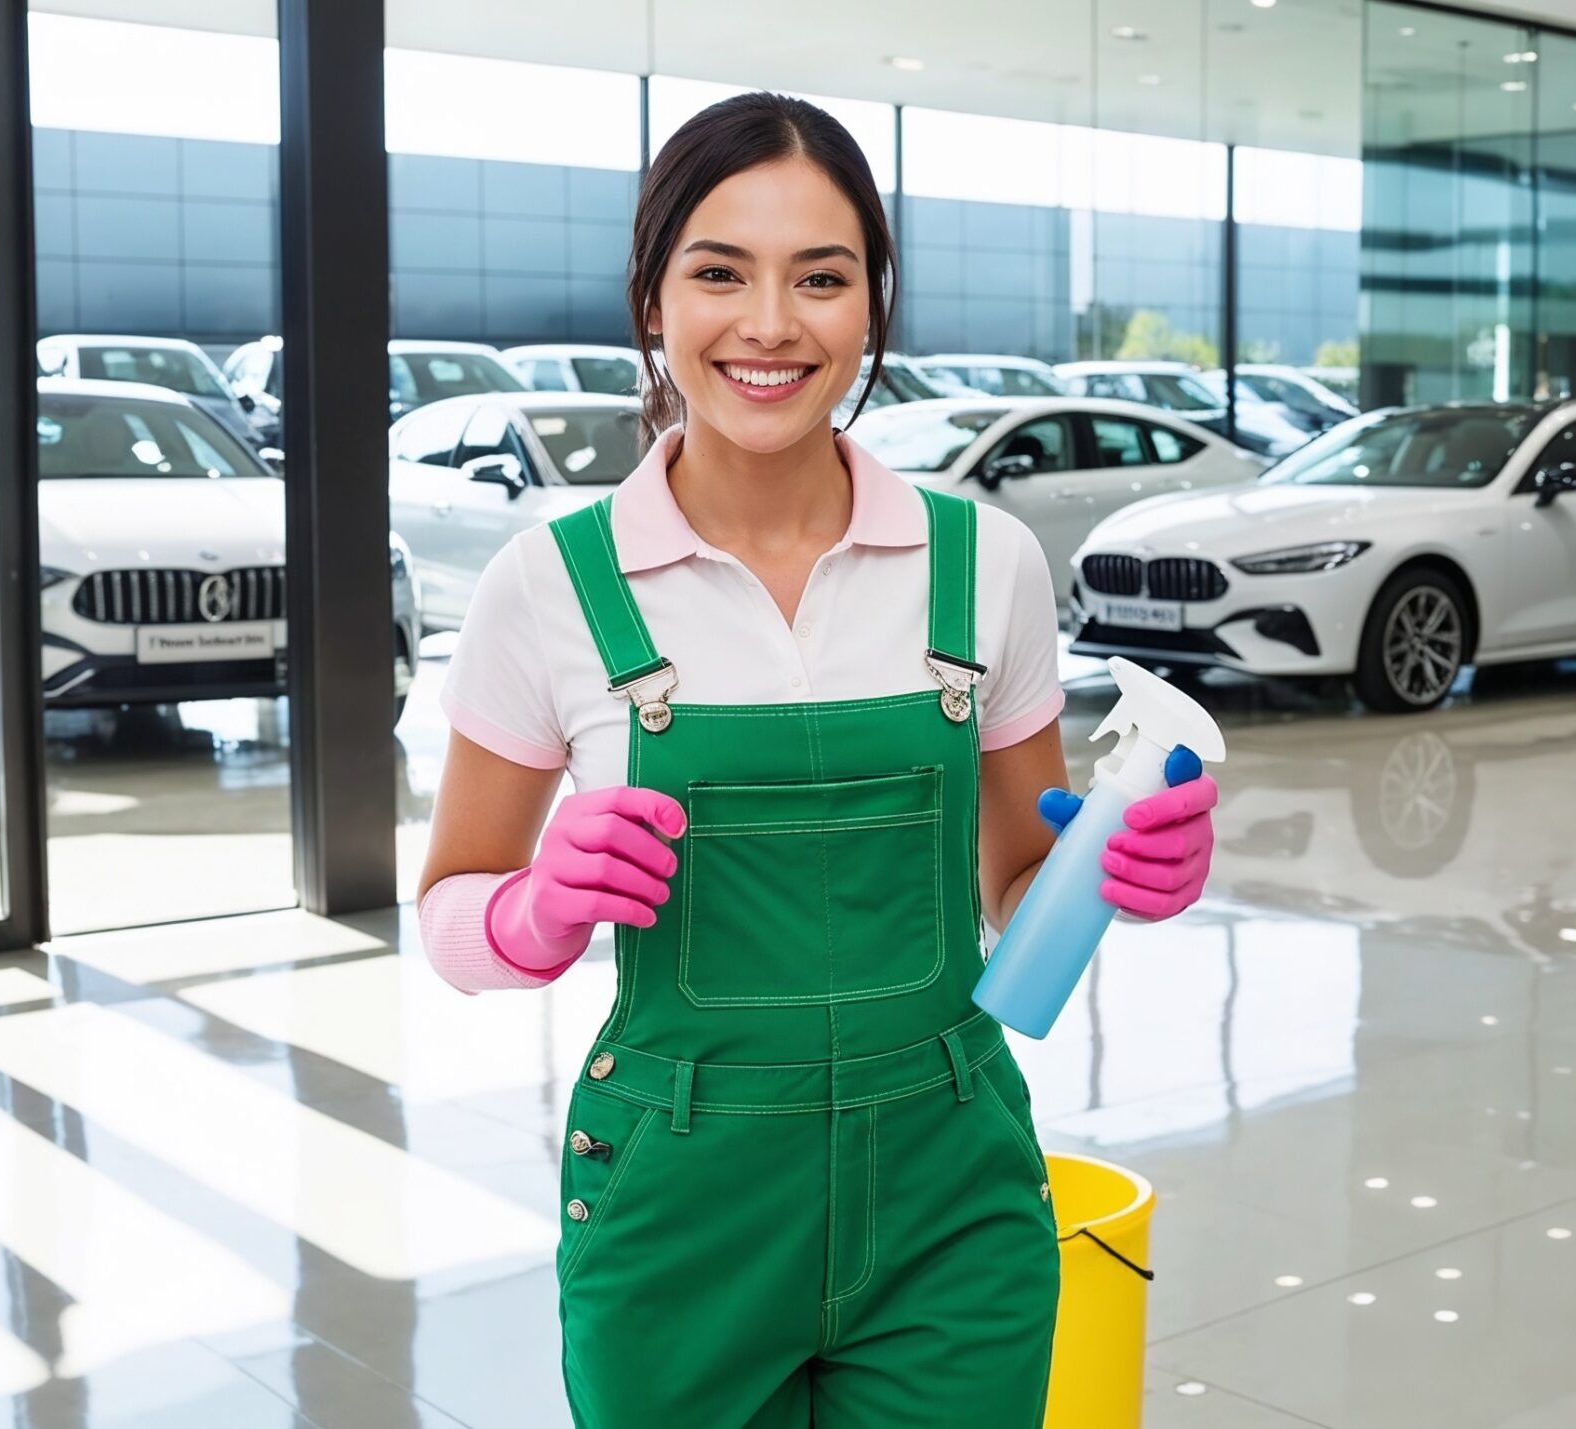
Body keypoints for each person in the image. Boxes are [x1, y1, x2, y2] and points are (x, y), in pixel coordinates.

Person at [416, 93, 1219, 1429]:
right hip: (683, 1218)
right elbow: (451, 915)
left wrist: (1126, 869)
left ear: (872, 309)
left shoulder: (985, 568)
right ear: (652, 299)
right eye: (720, 271)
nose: (772, 324)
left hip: (948, 1201)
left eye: (822, 278)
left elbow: (1023, 880)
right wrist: (538, 909)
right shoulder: (549, 588)